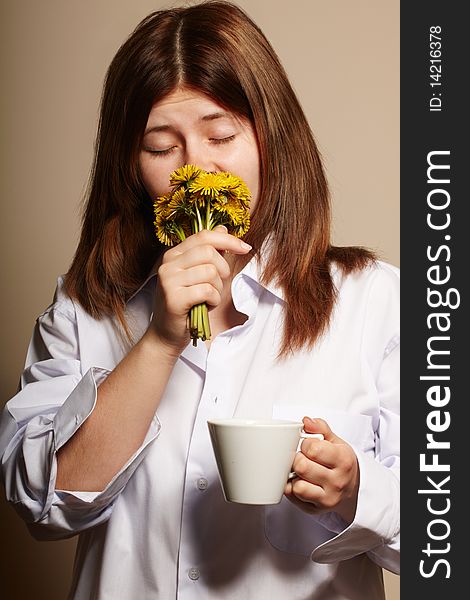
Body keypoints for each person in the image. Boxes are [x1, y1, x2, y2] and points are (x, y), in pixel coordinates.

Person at [0, 1, 399, 598]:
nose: (197, 168)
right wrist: (160, 339)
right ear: (130, 165)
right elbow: (44, 504)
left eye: (221, 136)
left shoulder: (374, 301)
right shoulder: (86, 304)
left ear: (271, 140)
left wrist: (356, 492)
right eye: (162, 147)